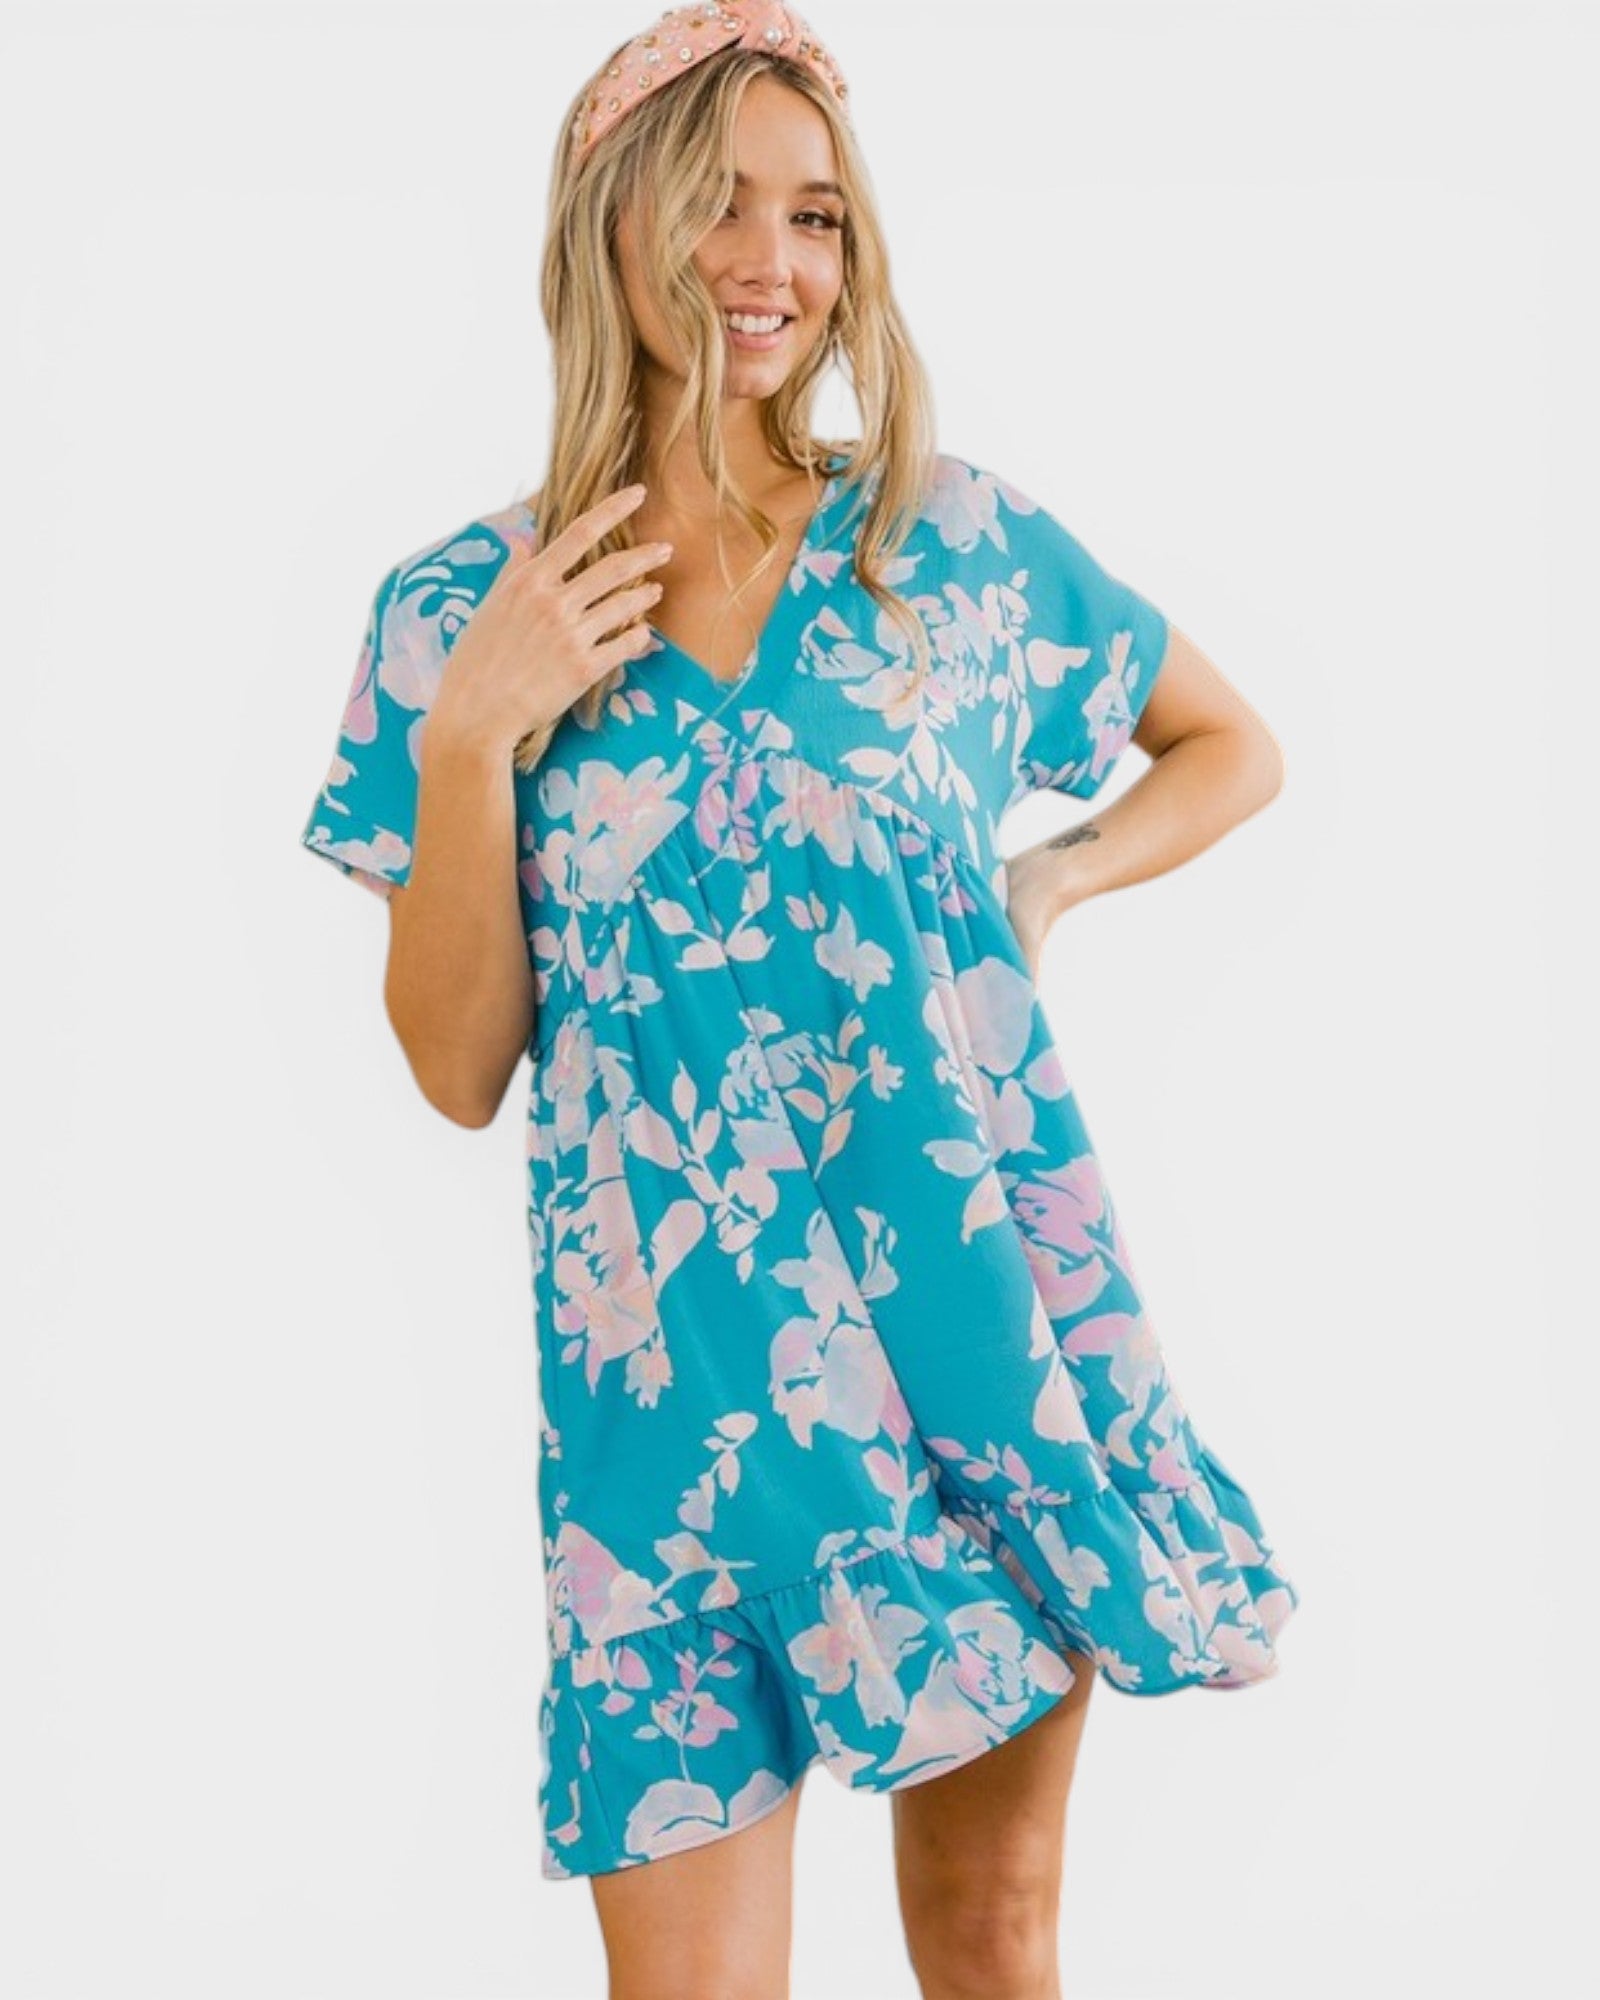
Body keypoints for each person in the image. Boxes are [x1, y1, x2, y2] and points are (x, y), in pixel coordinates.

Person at [299, 4, 1299, 1992]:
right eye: (717, 205)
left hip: (964, 1364)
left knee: (989, 1951)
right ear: (609, 225)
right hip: (659, 1424)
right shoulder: (454, 611)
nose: (770, 262)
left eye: (816, 216)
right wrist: (476, 740)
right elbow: (452, 1062)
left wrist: (1051, 873)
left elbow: (1225, 741)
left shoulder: (952, 549)